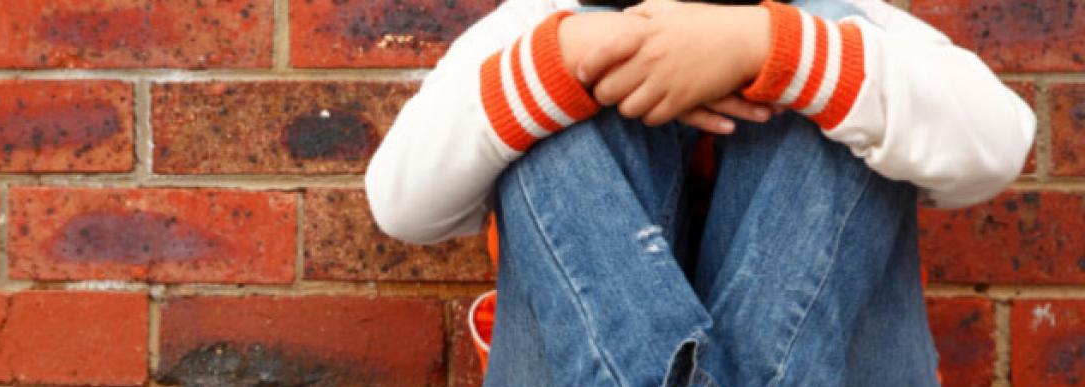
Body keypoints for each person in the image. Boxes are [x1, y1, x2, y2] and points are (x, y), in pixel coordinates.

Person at [365, 0, 1035, 385]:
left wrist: (770, 46)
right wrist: (573, 56)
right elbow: (400, 202)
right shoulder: (540, 17)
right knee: (549, 94)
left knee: (849, 84)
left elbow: (1001, 141)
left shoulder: (846, 16)